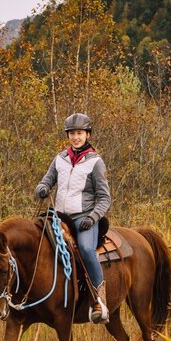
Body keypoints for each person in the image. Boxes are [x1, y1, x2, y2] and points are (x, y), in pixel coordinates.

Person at [35, 112, 112, 323]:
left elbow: (105, 198)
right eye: (72, 134)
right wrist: (42, 188)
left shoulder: (95, 162)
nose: (76, 137)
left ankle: (99, 300)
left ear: (88, 134)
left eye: (79, 133)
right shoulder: (60, 159)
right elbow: (46, 181)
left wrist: (93, 217)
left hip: (84, 218)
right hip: (59, 217)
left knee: (86, 250)